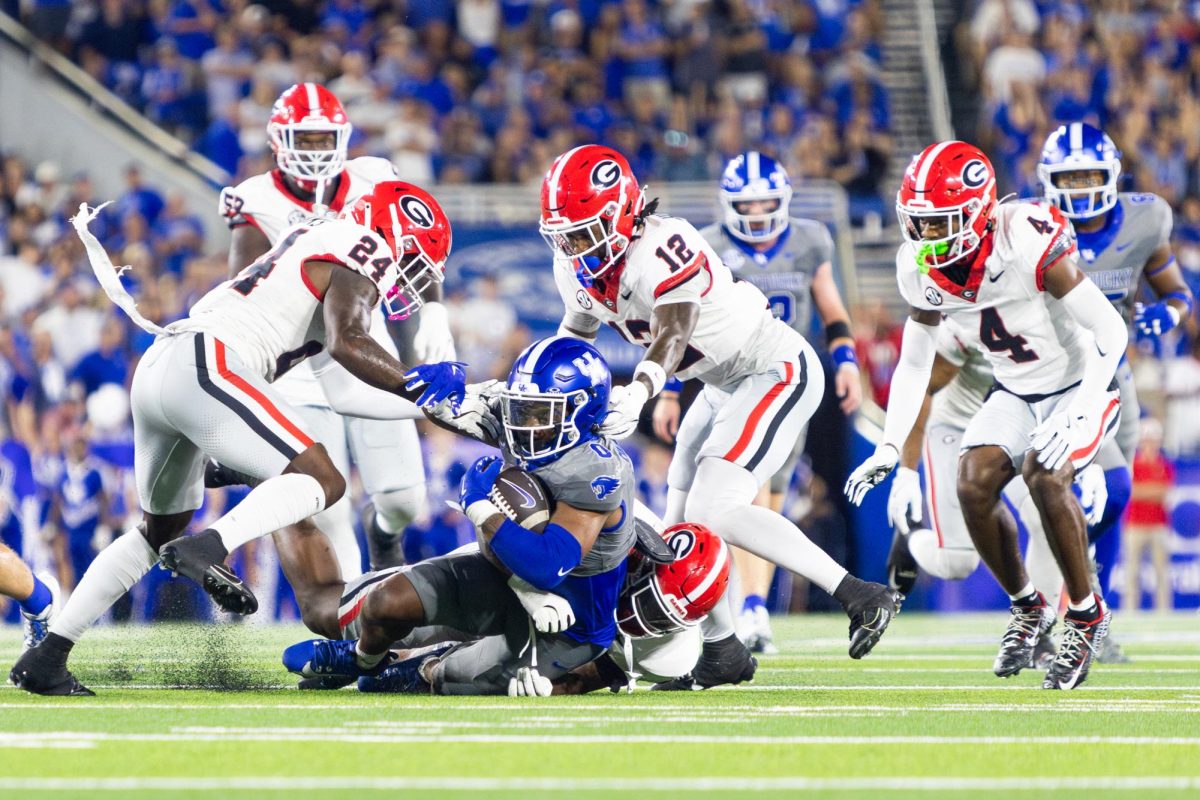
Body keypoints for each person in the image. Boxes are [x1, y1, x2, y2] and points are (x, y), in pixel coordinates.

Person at [10, 181, 465, 696]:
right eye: (413, 256)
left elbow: (347, 390)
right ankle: (211, 545)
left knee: (156, 532)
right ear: (391, 234)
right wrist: (418, 382)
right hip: (209, 363)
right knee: (323, 479)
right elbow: (351, 342)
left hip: (164, 366)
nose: (407, 273)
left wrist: (443, 405)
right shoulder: (362, 244)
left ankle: (49, 657)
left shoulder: (315, 246)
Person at [544, 144, 896, 689]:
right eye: (563, 235)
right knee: (675, 527)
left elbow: (673, 329)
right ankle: (722, 646)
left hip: (771, 365)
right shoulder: (580, 269)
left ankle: (859, 592)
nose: (572, 247)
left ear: (619, 215)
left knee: (715, 505)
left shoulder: (662, 243)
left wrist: (639, 390)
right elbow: (576, 334)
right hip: (715, 383)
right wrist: (546, 380)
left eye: (584, 231)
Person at [846, 141, 1127, 690]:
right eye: (919, 224)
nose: (927, 240)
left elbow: (1110, 331)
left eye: (940, 223)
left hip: (1080, 385)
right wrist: (890, 448)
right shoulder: (921, 268)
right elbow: (912, 365)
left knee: (1045, 475)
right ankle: (1028, 608)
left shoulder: (1026, 237)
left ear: (976, 214)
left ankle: (1088, 617)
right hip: (1017, 391)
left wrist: (1082, 411)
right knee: (972, 482)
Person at [283, 338, 650, 696]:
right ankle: (364, 659)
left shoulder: (595, 470)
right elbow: (448, 405)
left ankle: (417, 663)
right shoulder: (519, 421)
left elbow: (548, 565)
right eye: (520, 408)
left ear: (582, 410)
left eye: (539, 412)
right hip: (502, 578)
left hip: (566, 625)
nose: (524, 423)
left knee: (421, 679)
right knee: (376, 605)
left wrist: (478, 504)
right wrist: (427, 385)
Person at [218, 83, 456, 573]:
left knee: (404, 500)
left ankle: (384, 532)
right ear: (278, 140)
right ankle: (356, 620)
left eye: (322, 139)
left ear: (343, 138)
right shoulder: (255, 199)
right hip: (300, 370)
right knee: (328, 504)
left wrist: (433, 308)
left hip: (366, 349)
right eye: (303, 140)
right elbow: (243, 287)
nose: (314, 150)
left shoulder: (374, 177)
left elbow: (421, 238)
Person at [653, 151, 862, 654]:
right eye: (747, 203)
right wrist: (668, 391)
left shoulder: (809, 239)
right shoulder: (707, 244)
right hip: (723, 383)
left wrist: (849, 360)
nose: (758, 211)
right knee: (730, 497)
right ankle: (730, 606)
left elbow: (831, 308)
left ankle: (752, 608)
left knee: (766, 499)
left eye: (766, 199)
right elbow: (680, 325)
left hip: (783, 379)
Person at [1036, 123, 1193, 647]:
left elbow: (1175, 291)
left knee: (1114, 495)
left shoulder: (1146, 218)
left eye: (1089, 175)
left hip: (1113, 377)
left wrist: (1167, 315)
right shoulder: (1032, 226)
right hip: (1047, 374)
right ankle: (1042, 607)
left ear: (1111, 176)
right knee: (1051, 492)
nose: (1080, 187)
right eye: (1069, 177)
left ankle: (1086, 610)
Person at [1124, 418, 1174, 612]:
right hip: (1135, 525)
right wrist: (1151, 491)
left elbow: (1164, 493)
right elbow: (1132, 492)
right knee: (1132, 572)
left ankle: (1163, 611)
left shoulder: (1165, 465)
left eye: (1153, 439)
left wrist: (1145, 491)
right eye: (1147, 439)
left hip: (1158, 525)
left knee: (1162, 572)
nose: (1150, 443)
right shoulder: (1134, 464)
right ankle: (1130, 611)